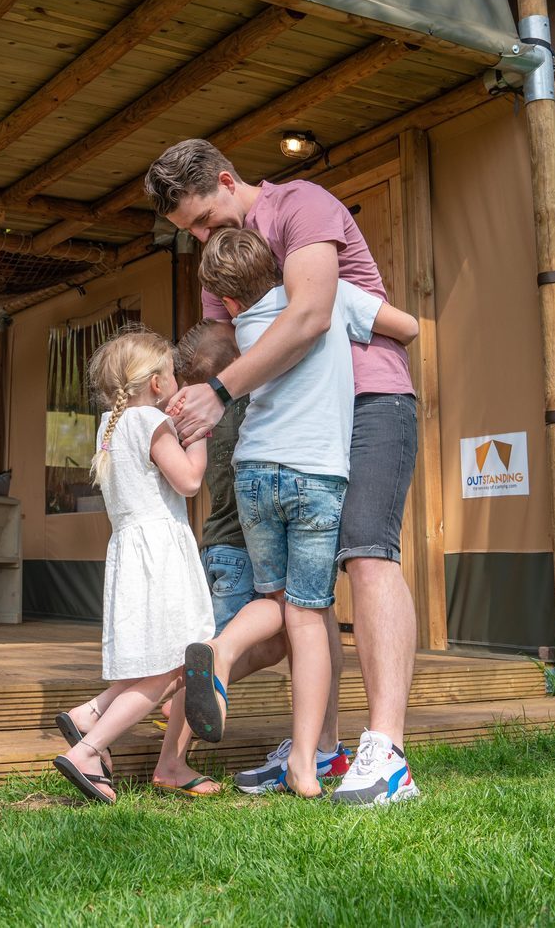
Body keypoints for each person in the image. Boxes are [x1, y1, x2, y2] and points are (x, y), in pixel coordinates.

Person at [147, 139, 423, 807]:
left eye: (205, 219)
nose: (204, 236)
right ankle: (320, 748)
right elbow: (228, 348)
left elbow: (310, 313)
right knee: (305, 596)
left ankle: (386, 750)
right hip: (295, 437)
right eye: (190, 233)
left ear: (226, 178)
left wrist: (218, 392)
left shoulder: (301, 204)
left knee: (366, 553)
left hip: (367, 402)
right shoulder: (225, 266)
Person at [52, 327, 220, 803]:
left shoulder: (111, 424)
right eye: (170, 372)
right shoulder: (149, 421)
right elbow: (187, 481)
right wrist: (200, 432)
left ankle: (94, 712)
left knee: (162, 659)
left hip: (131, 549)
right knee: (175, 666)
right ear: (155, 382)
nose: (175, 380)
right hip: (161, 551)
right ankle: (90, 747)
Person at [174, 320, 255, 632]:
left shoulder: (203, 419)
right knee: (220, 644)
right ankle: (194, 682)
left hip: (212, 544)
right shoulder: (250, 405)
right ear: (237, 363)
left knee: (214, 635)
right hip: (240, 548)